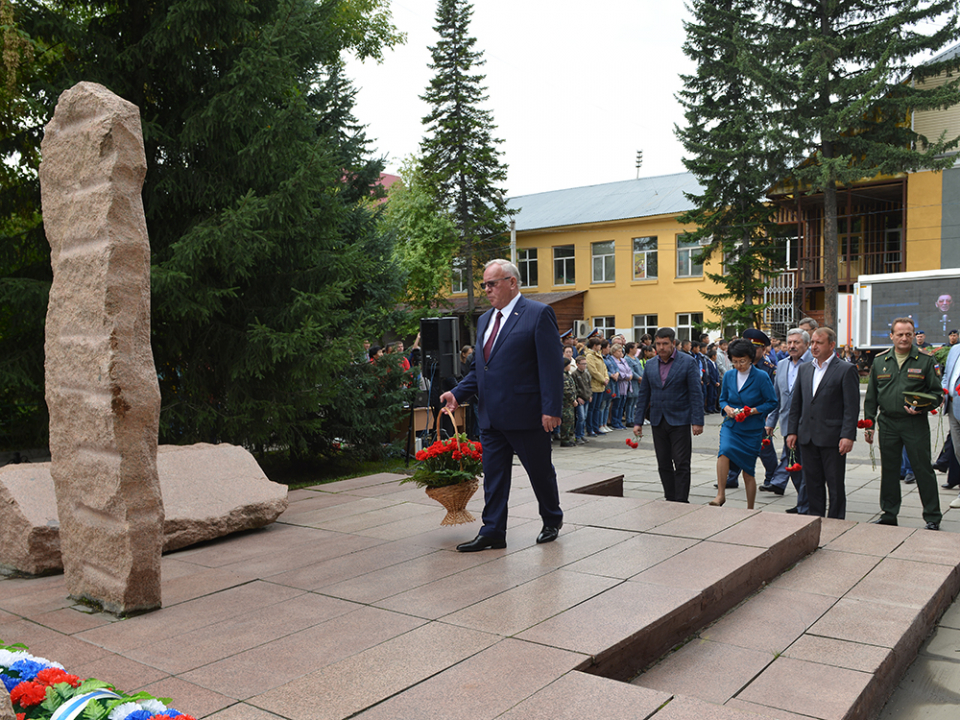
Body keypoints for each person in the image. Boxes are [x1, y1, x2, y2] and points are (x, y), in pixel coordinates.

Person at [440, 258, 564, 551]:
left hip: (528, 415)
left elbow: (551, 366)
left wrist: (551, 409)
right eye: (484, 285)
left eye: (492, 283)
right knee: (494, 478)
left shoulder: (538, 314)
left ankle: (551, 518)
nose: (487, 290)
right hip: (491, 416)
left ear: (512, 282)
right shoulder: (485, 320)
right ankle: (493, 530)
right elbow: (479, 370)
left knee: (540, 473)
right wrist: (457, 394)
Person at [863, 318, 943, 530]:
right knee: (889, 470)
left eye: (908, 334)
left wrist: (922, 406)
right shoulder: (881, 361)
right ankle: (889, 514)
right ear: (892, 336)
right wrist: (869, 425)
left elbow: (937, 394)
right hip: (888, 423)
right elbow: (871, 397)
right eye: (900, 334)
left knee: (923, 469)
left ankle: (933, 516)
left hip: (914, 423)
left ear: (913, 334)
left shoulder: (924, 360)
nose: (904, 338)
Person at [785, 327, 860, 519]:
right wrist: (792, 431)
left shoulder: (845, 369)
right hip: (807, 437)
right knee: (812, 483)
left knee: (835, 484)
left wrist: (847, 435)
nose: (814, 347)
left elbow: (851, 408)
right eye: (812, 343)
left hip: (833, 438)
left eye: (819, 343)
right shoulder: (805, 368)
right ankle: (815, 518)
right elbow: (797, 404)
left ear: (831, 345)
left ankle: (836, 520)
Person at [633, 327, 704, 503]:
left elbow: (696, 393)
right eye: (658, 344)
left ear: (673, 343)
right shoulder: (650, 365)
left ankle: (681, 500)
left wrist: (697, 421)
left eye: (665, 343)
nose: (661, 347)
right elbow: (644, 395)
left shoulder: (687, 362)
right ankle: (670, 497)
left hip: (679, 419)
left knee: (681, 462)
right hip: (658, 419)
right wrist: (638, 422)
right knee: (663, 463)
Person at [710, 339, 778, 509]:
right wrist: (727, 408)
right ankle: (721, 495)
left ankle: (750, 508)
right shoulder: (729, 375)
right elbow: (723, 398)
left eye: (742, 361)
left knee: (748, 470)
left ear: (750, 358)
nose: (738, 365)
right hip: (731, 425)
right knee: (724, 452)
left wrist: (753, 410)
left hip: (752, 429)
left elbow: (772, 402)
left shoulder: (761, 376)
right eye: (734, 361)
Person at [760, 328, 812, 514]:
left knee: (807, 467)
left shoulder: (814, 363)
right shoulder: (781, 365)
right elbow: (777, 397)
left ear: (807, 344)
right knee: (793, 466)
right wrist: (770, 422)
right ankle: (803, 502)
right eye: (789, 342)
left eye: (796, 342)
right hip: (786, 424)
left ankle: (807, 504)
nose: (792, 346)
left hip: (808, 424)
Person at [941, 340, 960, 508]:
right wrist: (943, 391)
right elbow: (947, 375)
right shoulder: (955, 349)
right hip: (953, 407)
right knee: (958, 450)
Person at [585, 336, 609, 436]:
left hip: (601, 386)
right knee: (591, 409)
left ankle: (596, 427)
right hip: (594, 386)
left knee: (597, 408)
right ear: (594, 346)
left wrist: (606, 377)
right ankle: (590, 429)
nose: (600, 347)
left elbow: (604, 368)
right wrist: (603, 379)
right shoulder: (590, 356)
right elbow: (593, 370)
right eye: (599, 345)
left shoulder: (599, 355)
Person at [608, 344, 632, 429]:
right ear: (614, 352)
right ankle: (615, 422)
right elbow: (617, 372)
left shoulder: (623, 360)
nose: (621, 353)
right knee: (616, 405)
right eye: (619, 351)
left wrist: (630, 375)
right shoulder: (612, 360)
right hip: (618, 384)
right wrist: (627, 376)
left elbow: (629, 369)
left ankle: (619, 422)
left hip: (626, 385)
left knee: (622, 405)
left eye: (621, 351)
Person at [572, 354, 591, 444]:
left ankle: (582, 434)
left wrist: (590, 395)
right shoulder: (574, 374)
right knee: (581, 417)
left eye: (585, 364)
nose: (584, 366)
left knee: (585, 417)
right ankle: (578, 436)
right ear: (577, 364)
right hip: (580, 399)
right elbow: (574, 387)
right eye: (583, 364)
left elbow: (589, 386)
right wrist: (578, 397)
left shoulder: (586, 374)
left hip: (586, 398)